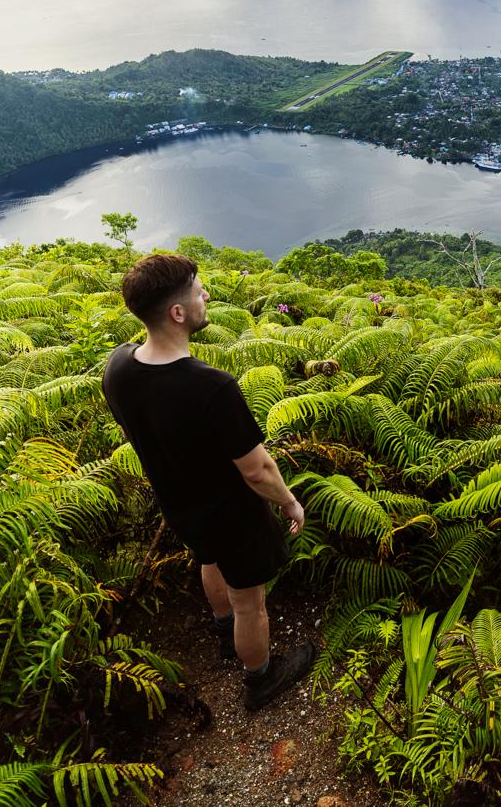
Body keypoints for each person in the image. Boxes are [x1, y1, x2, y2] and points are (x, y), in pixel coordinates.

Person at [101, 253, 314, 710]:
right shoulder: (211, 387)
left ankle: (222, 633)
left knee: (209, 559)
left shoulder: (118, 368)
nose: (206, 296)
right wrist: (289, 502)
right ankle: (261, 678)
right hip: (232, 513)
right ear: (178, 313)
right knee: (249, 602)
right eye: (199, 291)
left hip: (179, 505)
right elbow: (257, 469)